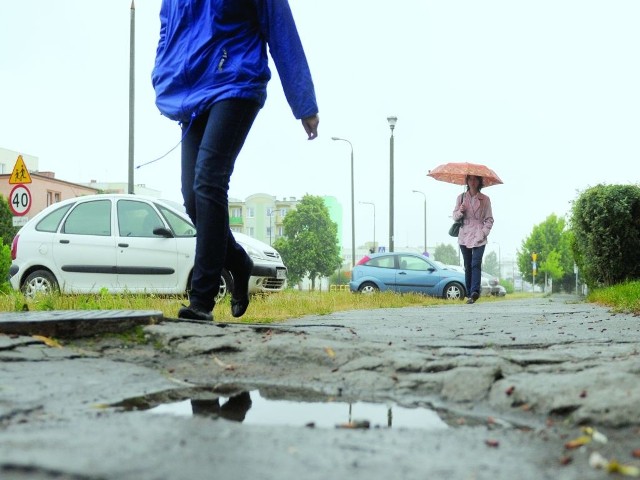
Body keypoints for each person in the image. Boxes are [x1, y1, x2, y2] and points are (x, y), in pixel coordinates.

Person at [152, 0, 319, 321]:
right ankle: (240, 263)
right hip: (195, 91)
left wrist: (304, 103)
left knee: (209, 180)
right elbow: (168, 30)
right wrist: (162, 74)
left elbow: (281, 28)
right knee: (192, 197)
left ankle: (201, 299)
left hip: (236, 81)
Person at [452, 175, 494, 304]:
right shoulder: (461, 198)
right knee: (467, 265)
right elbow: (454, 216)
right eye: (470, 179)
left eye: (475, 179)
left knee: (476, 263)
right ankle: (470, 293)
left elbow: (489, 219)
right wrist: (460, 210)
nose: (472, 182)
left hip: (479, 234)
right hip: (464, 234)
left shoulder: (485, 199)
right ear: (467, 181)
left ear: (479, 182)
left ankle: (475, 291)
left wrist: (483, 233)